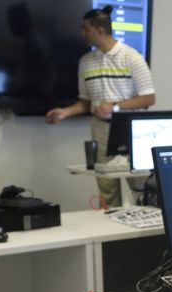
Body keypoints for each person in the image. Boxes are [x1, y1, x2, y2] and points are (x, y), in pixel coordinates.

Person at [45, 6, 155, 207]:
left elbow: (148, 98)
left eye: (85, 29)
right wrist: (65, 112)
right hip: (101, 130)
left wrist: (114, 107)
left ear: (100, 30)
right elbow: (86, 102)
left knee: (141, 187)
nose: (82, 34)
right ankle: (110, 224)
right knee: (106, 188)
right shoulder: (86, 62)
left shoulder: (132, 57)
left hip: (131, 129)